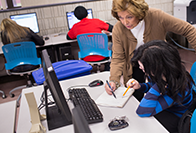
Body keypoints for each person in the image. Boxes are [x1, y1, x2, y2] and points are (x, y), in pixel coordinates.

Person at [105, 0, 196, 101]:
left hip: (160, 66)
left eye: (129, 17)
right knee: (136, 95)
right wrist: (114, 80)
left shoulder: (157, 16)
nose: (125, 22)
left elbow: (189, 30)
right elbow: (118, 58)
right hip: (136, 66)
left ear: (139, 13)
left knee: (166, 97)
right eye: (120, 17)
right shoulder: (118, 28)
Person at [126, 40, 195, 132]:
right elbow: (151, 85)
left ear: (156, 68)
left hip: (177, 117)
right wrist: (140, 86)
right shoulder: (165, 74)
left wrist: (158, 86)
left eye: (142, 66)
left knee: (144, 126)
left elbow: (142, 111)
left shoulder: (177, 88)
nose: (140, 67)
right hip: (168, 107)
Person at [67, 6, 113, 71]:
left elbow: (68, 37)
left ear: (76, 17)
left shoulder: (75, 27)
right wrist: (106, 23)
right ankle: (107, 71)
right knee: (111, 45)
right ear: (87, 13)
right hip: (103, 55)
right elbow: (112, 28)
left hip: (86, 57)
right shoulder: (97, 21)